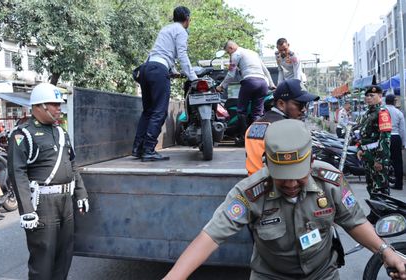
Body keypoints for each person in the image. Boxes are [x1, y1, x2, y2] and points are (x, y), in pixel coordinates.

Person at [163, 119, 406, 280]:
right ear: (268, 164)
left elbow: (353, 221)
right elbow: (212, 235)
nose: (290, 184)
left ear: (310, 162)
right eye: (282, 178)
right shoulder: (250, 192)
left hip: (323, 274)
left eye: (297, 177)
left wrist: (386, 251)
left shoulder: (330, 181)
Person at [8, 83, 89, 280]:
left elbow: (72, 165)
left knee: (65, 256)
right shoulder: (23, 134)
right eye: (53, 104)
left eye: (59, 103)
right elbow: (17, 173)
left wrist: (81, 193)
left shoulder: (61, 132)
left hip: (65, 202)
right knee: (43, 259)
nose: (58, 107)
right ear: (39, 106)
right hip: (43, 205)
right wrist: (27, 210)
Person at [131, 6, 197, 162]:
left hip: (147, 69)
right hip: (159, 70)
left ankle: (138, 148)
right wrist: (193, 77)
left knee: (148, 112)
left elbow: (161, 52)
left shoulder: (166, 29)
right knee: (160, 112)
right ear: (187, 19)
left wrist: (172, 70)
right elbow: (182, 54)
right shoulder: (181, 31)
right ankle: (148, 150)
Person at [245, 79, 319, 175]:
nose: (304, 109)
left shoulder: (253, 126)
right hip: (278, 186)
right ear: (281, 104)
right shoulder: (288, 129)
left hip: (253, 184)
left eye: (305, 104)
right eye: (299, 104)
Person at [216, 40, 276, 140]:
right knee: (257, 114)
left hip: (250, 83)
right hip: (263, 84)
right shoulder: (253, 53)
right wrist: (271, 84)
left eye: (228, 52)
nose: (229, 55)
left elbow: (231, 75)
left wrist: (221, 86)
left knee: (241, 111)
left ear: (231, 48)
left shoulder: (235, 54)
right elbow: (266, 71)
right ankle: (258, 138)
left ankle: (245, 137)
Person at [357, 85, 392, 198]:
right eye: (367, 95)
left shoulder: (382, 113)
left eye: (372, 95)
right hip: (367, 155)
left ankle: (384, 214)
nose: (368, 98)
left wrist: (380, 160)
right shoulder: (368, 114)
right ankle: (374, 213)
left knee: (380, 188)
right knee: (371, 186)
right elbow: (363, 134)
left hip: (377, 155)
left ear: (380, 96)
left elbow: (385, 138)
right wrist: (360, 149)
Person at [385, 94, 406, 190]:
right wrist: (403, 143)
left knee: (383, 160)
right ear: (394, 102)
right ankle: (399, 184)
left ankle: (383, 183)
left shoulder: (381, 111)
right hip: (395, 137)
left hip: (384, 137)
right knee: (397, 162)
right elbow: (403, 129)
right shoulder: (398, 113)